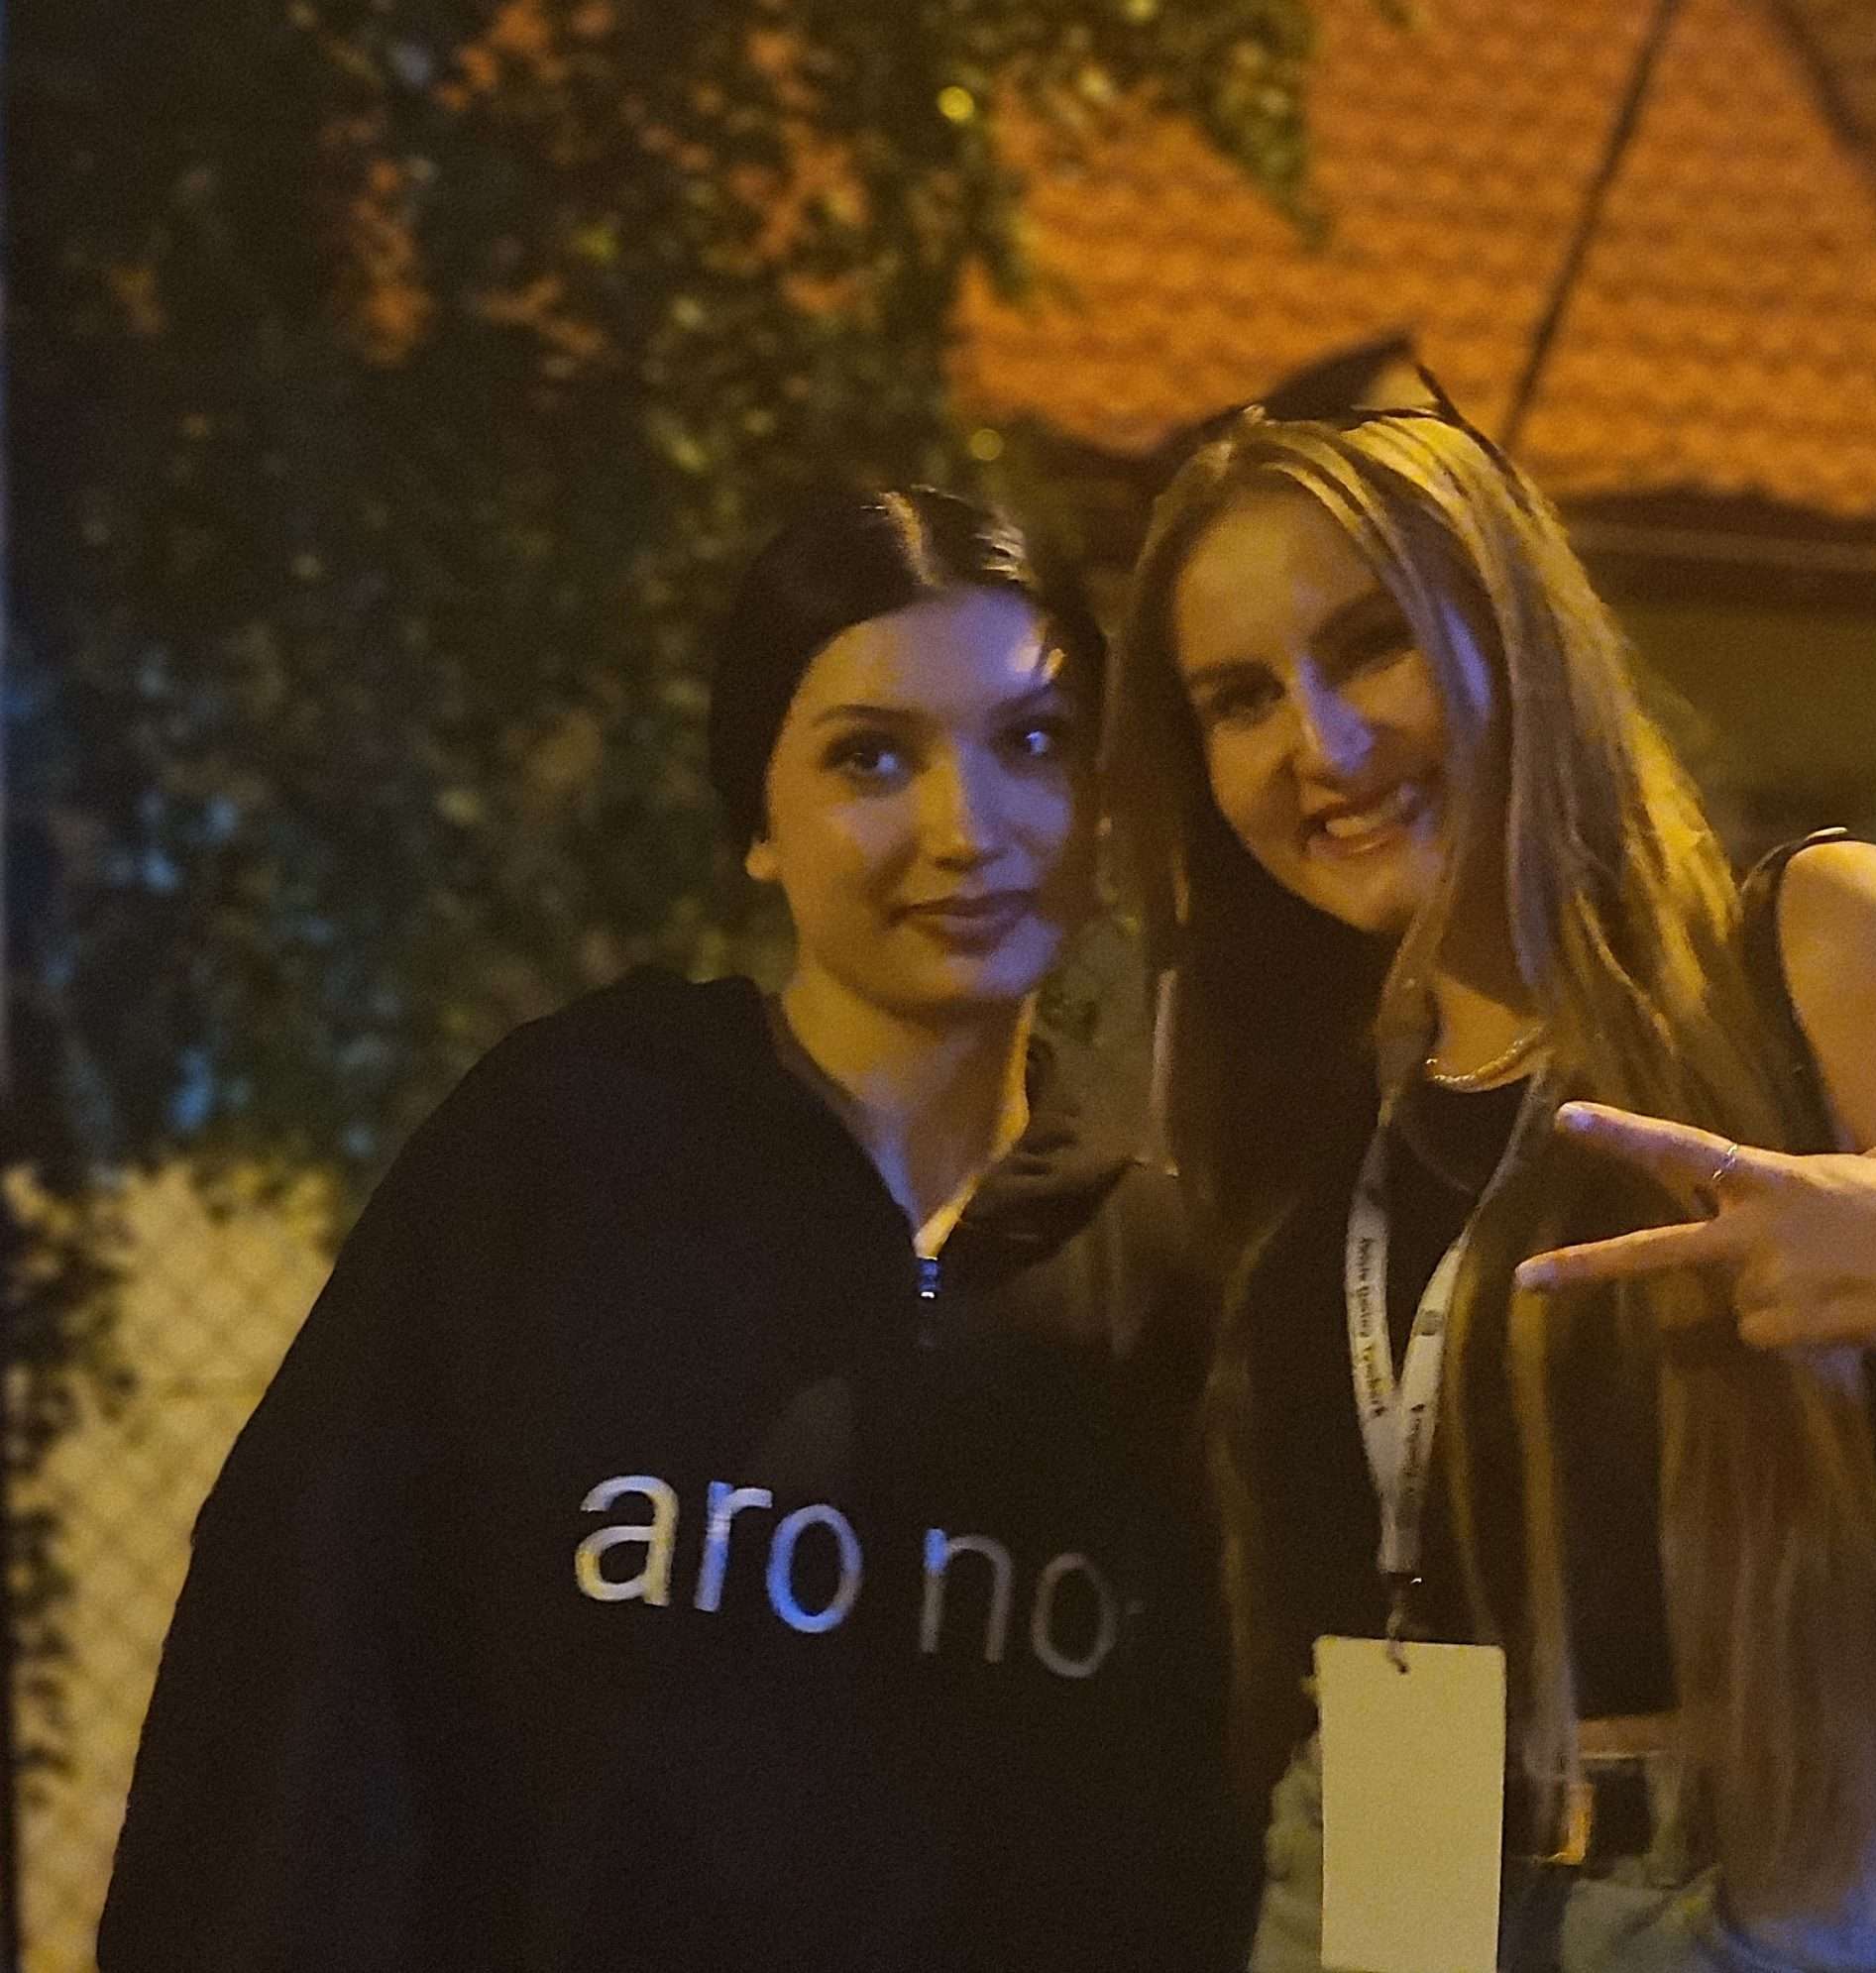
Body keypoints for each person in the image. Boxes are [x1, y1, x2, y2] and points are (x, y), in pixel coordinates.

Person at [1104, 398, 1876, 1971]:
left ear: (1520, 634)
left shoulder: (1825, 954)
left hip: (1777, 1896)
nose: (1321, 746)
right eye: (1239, 699)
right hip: (1373, 1890)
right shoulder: (1289, 1088)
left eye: (1371, 645)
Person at [100, 486, 1243, 1971]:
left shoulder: (1163, 1277)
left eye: (1033, 743)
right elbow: (296, 1685)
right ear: (757, 822)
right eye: (872, 757)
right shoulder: (564, 1155)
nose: (968, 831)